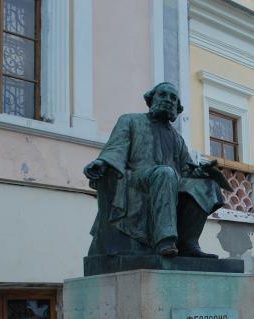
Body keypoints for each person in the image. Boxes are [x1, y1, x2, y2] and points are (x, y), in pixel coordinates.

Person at [84, 82, 228, 258]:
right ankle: (165, 241)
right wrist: (102, 163)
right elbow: (115, 149)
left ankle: (188, 243)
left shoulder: (177, 138)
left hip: (170, 181)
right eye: (163, 95)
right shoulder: (130, 120)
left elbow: (186, 168)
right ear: (151, 99)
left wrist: (198, 173)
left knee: (206, 186)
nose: (168, 100)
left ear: (177, 108)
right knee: (165, 173)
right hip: (135, 178)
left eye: (173, 98)